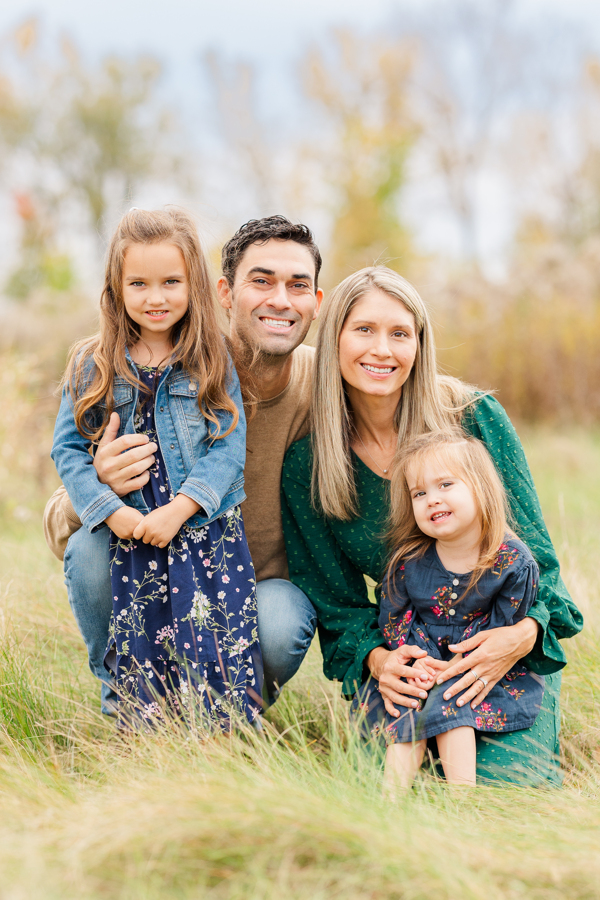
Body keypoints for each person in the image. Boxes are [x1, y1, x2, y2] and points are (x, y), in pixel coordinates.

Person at [281, 266, 583, 784]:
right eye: (364, 330)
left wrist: (521, 636)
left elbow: (540, 563)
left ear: (420, 344)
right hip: (408, 661)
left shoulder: (474, 418)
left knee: (501, 796)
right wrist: (378, 661)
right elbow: (335, 603)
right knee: (385, 792)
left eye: (400, 333)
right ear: (333, 340)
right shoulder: (310, 465)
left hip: (500, 656)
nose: (383, 350)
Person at [44, 215, 322, 714]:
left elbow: (227, 446)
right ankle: (128, 711)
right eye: (139, 284)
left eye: (171, 282)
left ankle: (224, 724)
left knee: (213, 639)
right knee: (139, 624)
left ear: (193, 285)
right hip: (130, 529)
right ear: (116, 287)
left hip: (201, 530)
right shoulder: (93, 362)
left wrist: (181, 509)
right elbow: (66, 450)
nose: (156, 297)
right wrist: (111, 507)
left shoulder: (210, 359)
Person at [363, 428, 544, 788]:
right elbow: (398, 622)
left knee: (453, 700)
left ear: (480, 488)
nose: (432, 499)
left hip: (482, 670)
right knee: (410, 699)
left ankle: (463, 801)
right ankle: (388, 804)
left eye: (446, 485)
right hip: (422, 660)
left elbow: (501, 632)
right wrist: (422, 662)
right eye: (420, 492)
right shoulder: (409, 562)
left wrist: (454, 667)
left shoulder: (512, 562)